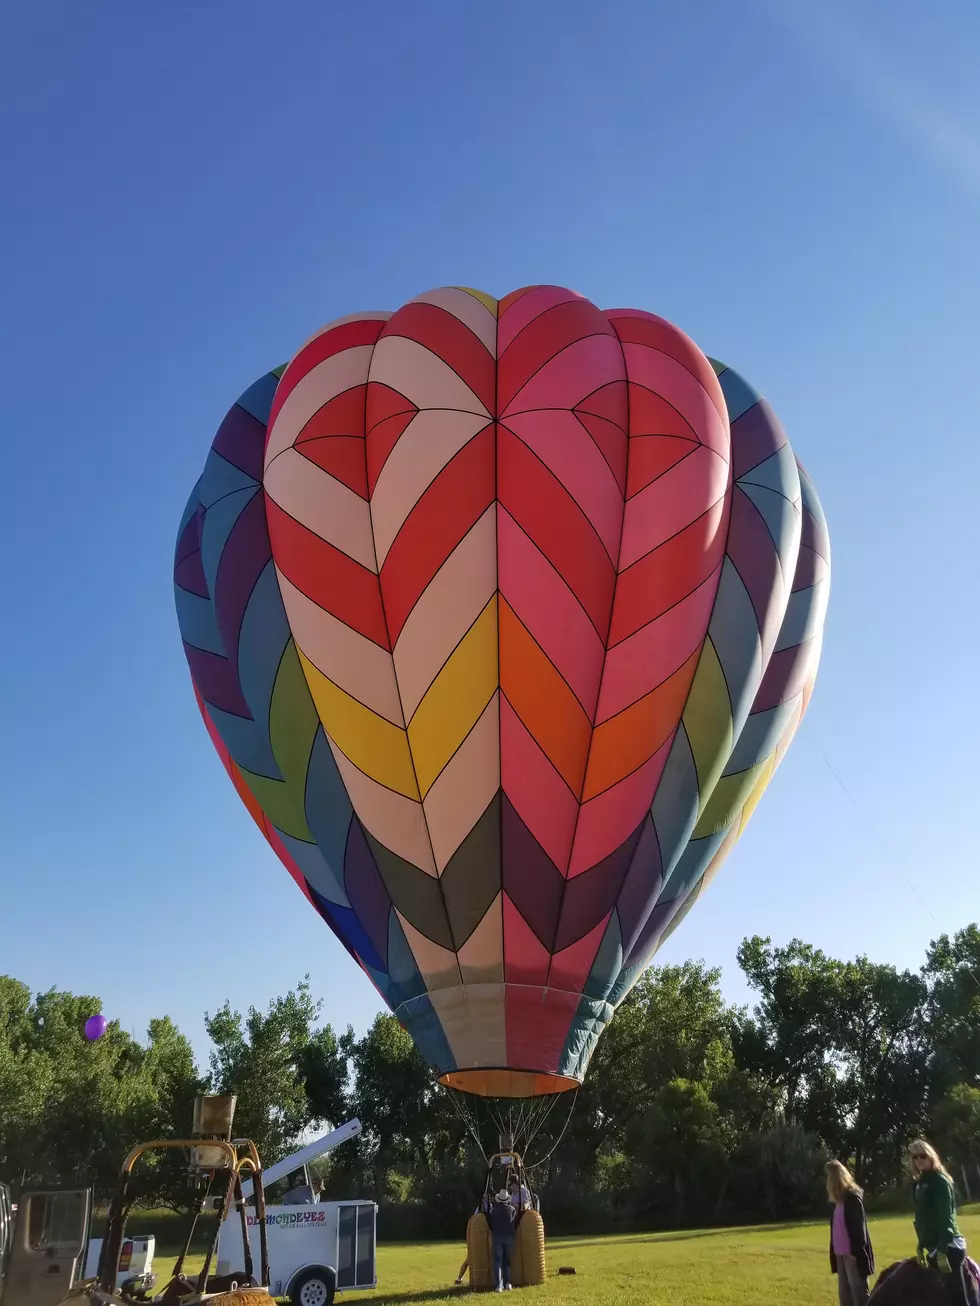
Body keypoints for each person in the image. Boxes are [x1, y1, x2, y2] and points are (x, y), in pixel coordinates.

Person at [910, 1139, 969, 1305]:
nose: (919, 1159)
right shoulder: (920, 1183)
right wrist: (921, 1245)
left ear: (931, 1156)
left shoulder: (940, 1181)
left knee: (957, 1300)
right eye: (915, 1157)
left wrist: (943, 1248)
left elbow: (947, 1218)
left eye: (922, 1155)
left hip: (948, 1247)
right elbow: (922, 1217)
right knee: (941, 1299)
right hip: (934, 1247)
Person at [826, 1160, 874, 1305]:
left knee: (859, 1295)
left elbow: (860, 1232)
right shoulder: (838, 1201)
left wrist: (856, 1254)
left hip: (853, 1255)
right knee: (845, 1296)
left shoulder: (853, 1200)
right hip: (840, 1254)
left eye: (828, 1177)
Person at [489, 1188, 516, 1292]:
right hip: (509, 1237)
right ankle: (508, 1283)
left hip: (497, 1236)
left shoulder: (494, 1210)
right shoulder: (512, 1209)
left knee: (497, 1262)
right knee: (507, 1261)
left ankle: (499, 1286)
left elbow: (491, 1222)